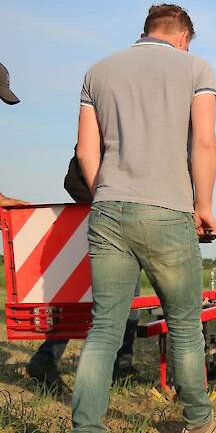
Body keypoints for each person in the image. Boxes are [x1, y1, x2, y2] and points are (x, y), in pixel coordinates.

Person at [64, 4, 216, 433]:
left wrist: (107, 193)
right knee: (184, 325)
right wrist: (203, 204)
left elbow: (85, 149)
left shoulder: (97, 71)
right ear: (182, 37)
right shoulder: (196, 67)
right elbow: (206, 142)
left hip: (108, 208)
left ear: (146, 32)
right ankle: (200, 424)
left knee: (103, 330)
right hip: (167, 210)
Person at [27, 154, 141, 394]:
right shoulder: (97, 142)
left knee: (131, 304)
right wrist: (105, 207)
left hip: (129, 229)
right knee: (88, 304)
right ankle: (46, 358)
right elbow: (73, 181)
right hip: (105, 230)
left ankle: (121, 367)